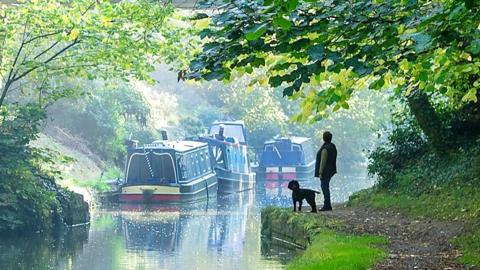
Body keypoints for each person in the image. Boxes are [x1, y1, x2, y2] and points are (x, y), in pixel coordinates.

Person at [315, 131, 337, 211]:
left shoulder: (325, 149)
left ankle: (327, 205)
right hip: (331, 169)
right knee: (325, 186)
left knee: (324, 187)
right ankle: (327, 204)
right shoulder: (332, 146)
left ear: (324, 138)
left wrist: (320, 172)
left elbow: (323, 161)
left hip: (325, 171)